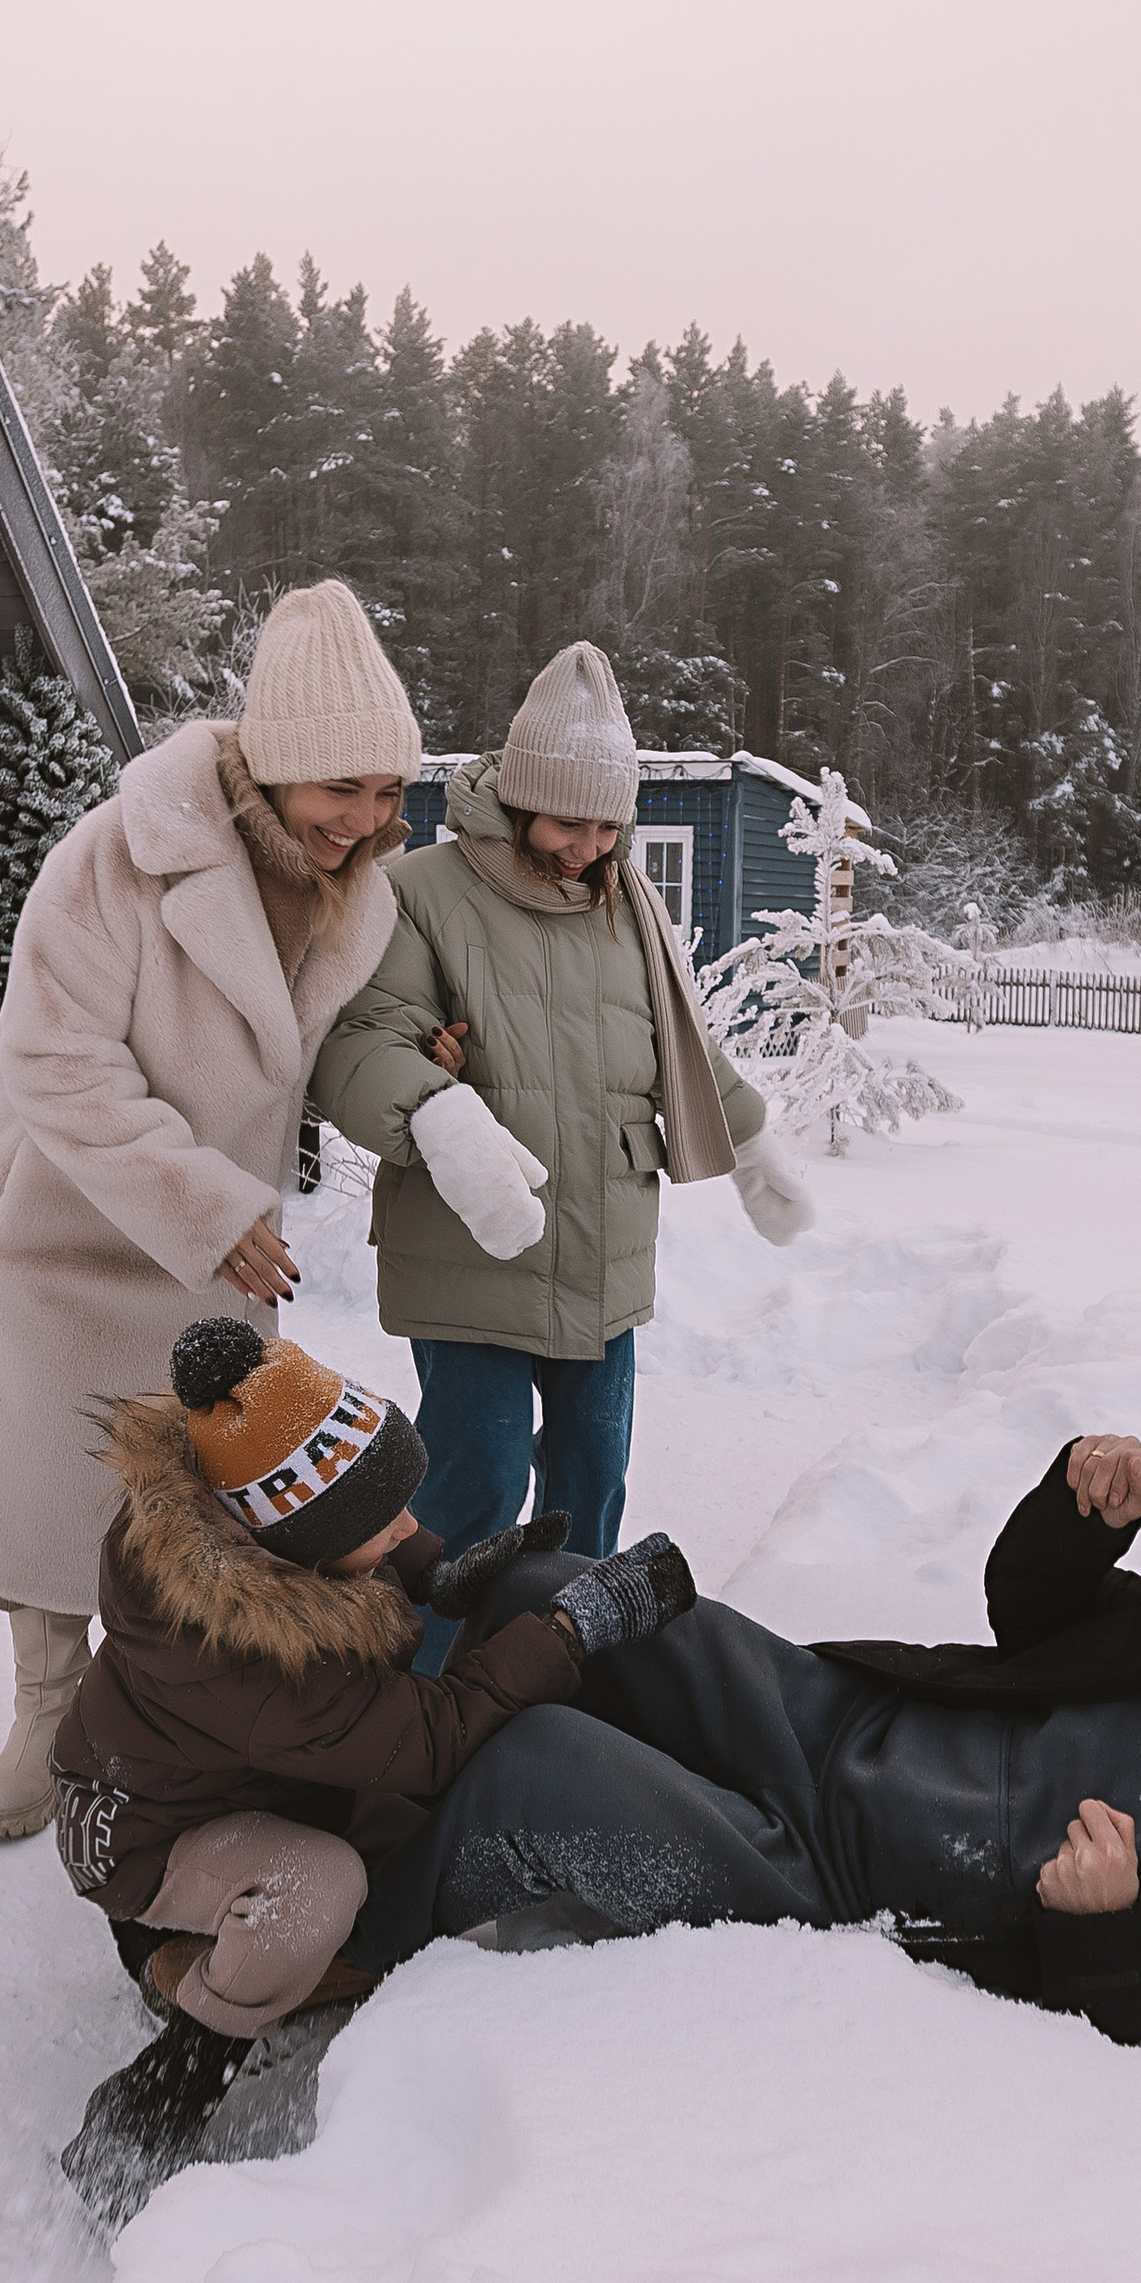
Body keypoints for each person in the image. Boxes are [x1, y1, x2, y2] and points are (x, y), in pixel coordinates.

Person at [343, 1430, 1141, 2046]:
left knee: (534, 1770)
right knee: (560, 1592)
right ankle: (340, 1753)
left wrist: (1103, 1934)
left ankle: (323, 1963)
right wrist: (1079, 1522)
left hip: (828, 1886)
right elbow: (1040, 1619)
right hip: (843, 1719)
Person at [0, 578, 423, 1841]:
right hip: (74, 1222)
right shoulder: (115, 859)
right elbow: (55, 1062)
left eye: (386, 795)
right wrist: (203, 1204)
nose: (363, 824)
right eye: (340, 793)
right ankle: (46, 1707)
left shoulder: (354, 880)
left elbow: (335, 1034)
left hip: (212, 1247)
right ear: (273, 767)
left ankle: (159, 1716)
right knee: (54, 1483)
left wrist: (429, 1064)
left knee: (195, 1499)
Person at [50, 1315, 697, 2225]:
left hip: (226, 1783)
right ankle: (172, 2071)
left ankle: (243, 1947)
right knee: (324, 1887)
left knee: (403, 1847)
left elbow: (351, 1529)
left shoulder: (250, 1522)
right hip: (144, 1840)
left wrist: (442, 1572)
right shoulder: (257, 1665)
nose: (407, 1526)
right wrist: (567, 1631)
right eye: (388, 1522)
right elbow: (430, 1739)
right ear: (304, 1549)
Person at [308, 640, 813, 1665]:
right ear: (519, 799)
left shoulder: (630, 903)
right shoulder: (420, 893)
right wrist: (439, 1110)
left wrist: (751, 1132)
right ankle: (424, 1692)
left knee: (590, 1484)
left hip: (604, 1249)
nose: (590, 843)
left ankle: (567, 1678)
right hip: (474, 1251)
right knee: (475, 1487)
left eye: (607, 822)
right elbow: (355, 1049)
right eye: (570, 820)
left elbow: (679, 1044)